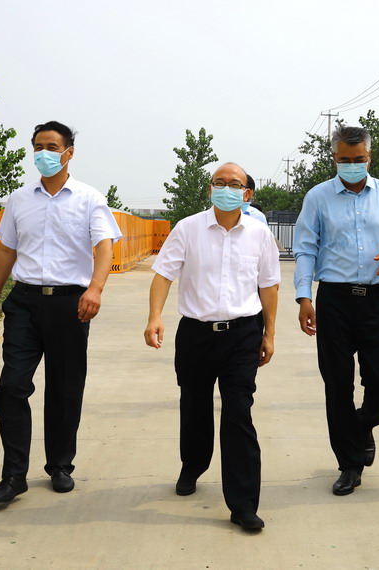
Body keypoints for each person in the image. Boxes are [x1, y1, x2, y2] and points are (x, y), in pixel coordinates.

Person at [0, 121, 122, 503]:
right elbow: (7, 250)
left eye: (52, 147)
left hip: (70, 304)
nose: (44, 153)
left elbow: (105, 246)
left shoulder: (89, 198)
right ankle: (14, 474)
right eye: (38, 147)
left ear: (68, 153)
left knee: (64, 388)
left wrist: (95, 289)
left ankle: (60, 465)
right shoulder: (19, 199)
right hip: (24, 302)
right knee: (12, 386)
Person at [144, 162, 280, 530]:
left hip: (243, 333)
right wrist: (155, 316)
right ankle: (193, 465)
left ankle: (243, 504)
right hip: (196, 333)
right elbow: (163, 275)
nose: (226, 188)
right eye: (219, 182)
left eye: (234, 184)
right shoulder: (188, 228)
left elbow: (269, 285)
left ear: (246, 193)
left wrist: (269, 333)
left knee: (239, 412)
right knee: (194, 404)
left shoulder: (259, 234)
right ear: (210, 189)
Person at [293, 125, 379, 496]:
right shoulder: (318, 197)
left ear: (369, 157)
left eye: (358, 159)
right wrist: (304, 296)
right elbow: (306, 248)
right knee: (337, 383)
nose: (351, 165)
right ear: (334, 158)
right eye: (344, 160)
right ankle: (348, 463)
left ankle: (362, 426)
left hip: (377, 300)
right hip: (335, 300)